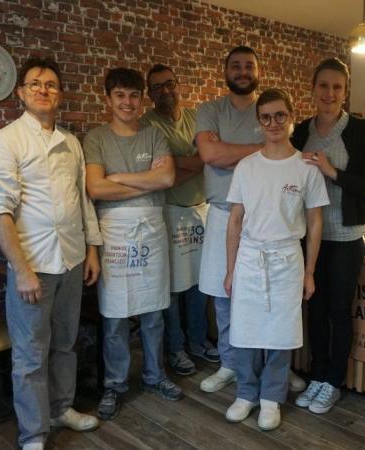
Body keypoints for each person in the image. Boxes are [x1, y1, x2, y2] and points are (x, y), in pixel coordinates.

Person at [0, 57, 102, 450]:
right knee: (31, 356)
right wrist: (21, 271)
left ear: (60, 93)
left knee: (65, 344)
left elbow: (82, 202)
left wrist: (92, 252)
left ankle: (61, 408)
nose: (43, 90)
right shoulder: (5, 141)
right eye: (35, 83)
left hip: (70, 259)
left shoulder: (71, 142)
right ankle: (33, 434)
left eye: (51, 84)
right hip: (33, 266)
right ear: (20, 92)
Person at [224, 88, 328, 430]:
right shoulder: (246, 167)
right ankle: (246, 393)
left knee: (281, 334)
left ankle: (271, 398)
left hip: (287, 258)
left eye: (279, 115)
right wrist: (230, 270)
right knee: (246, 332)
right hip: (251, 258)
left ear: (291, 117)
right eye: (266, 117)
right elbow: (235, 221)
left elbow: (315, 222)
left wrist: (310, 272)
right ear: (259, 122)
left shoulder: (306, 168)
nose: (273, 123)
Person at [83, 68, 183, 421]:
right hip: (114, 235)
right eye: (120, 95)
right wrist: (147, 182)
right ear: (108, 99)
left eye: (134, 95)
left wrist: (119, 178)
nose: (127, 102)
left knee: (155, 312)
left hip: (152, 231)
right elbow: (95, 189)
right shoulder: (95, 139)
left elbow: (168, 177)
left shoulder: (154, 134)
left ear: (143, 100)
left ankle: (156, 376)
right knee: (115, 317)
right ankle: (114, 384)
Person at [291, 58, 365, 414]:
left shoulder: (360, 131)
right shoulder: (301, 131)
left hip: (345, 237)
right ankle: (316, 375)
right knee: (314, 309)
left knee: (339, 312)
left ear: (345, 92)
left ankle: (333, 381)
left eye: (337, 87)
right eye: (323, 86)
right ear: (313, 88)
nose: (329, 93)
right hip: (309, 236)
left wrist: (333, 171)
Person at [141, 64, 219, 376]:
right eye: (157, 87)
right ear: (150, 94)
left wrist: (177, 166)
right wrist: (195, 162)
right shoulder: (147, 126)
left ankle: (198, 342)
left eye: (170, 84)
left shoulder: (197, 118)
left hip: (201, 210)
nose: (165, 91)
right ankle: (175, 348)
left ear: (179, 85)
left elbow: (207, 158)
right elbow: (161, 174)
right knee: (172, 288)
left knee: (200, 284)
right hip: (169, 214)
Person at [194, 46, 264, 392]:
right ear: (225, 71)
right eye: (235, 65)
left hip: (261, 219)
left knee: (259, 296)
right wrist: (261, 152)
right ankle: (228, 364)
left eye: (248, 66)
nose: (242, 71)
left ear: (257, 72)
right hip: (221, 214)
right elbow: (210, 153)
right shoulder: (210, 110)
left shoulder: (268, 110)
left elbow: (280, 157)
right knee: (223, 297)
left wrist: (229, 153)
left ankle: (264, 365)